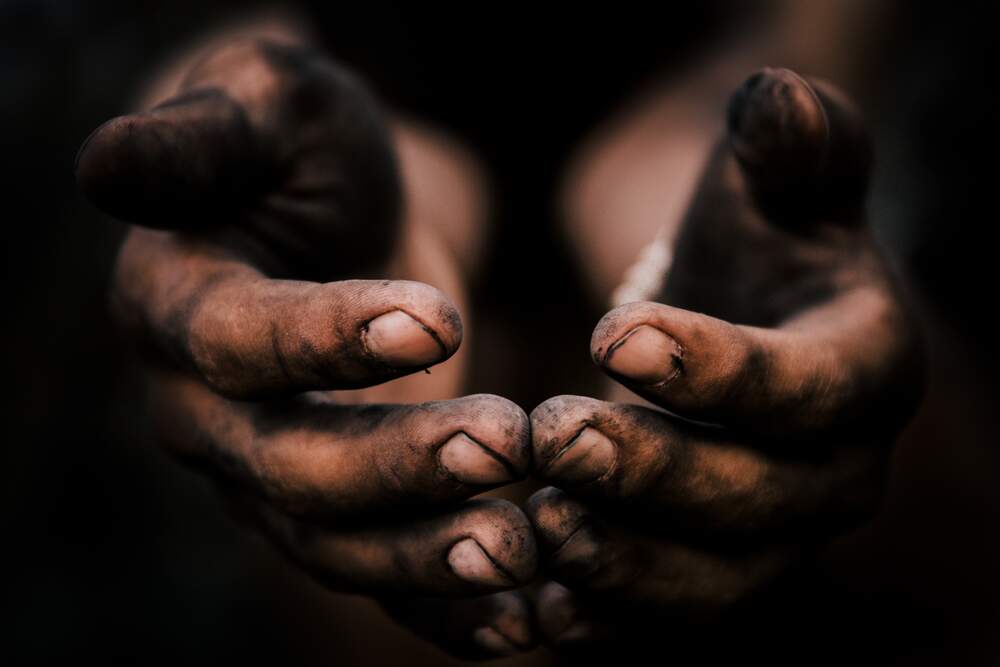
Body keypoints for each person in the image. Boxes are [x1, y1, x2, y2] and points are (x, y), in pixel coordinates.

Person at [74, 7, 925, 662]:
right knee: (389, 573)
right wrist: (224, 125)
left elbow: (826, 32)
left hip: (678, 109)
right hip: (370, 123)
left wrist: (742, 129)